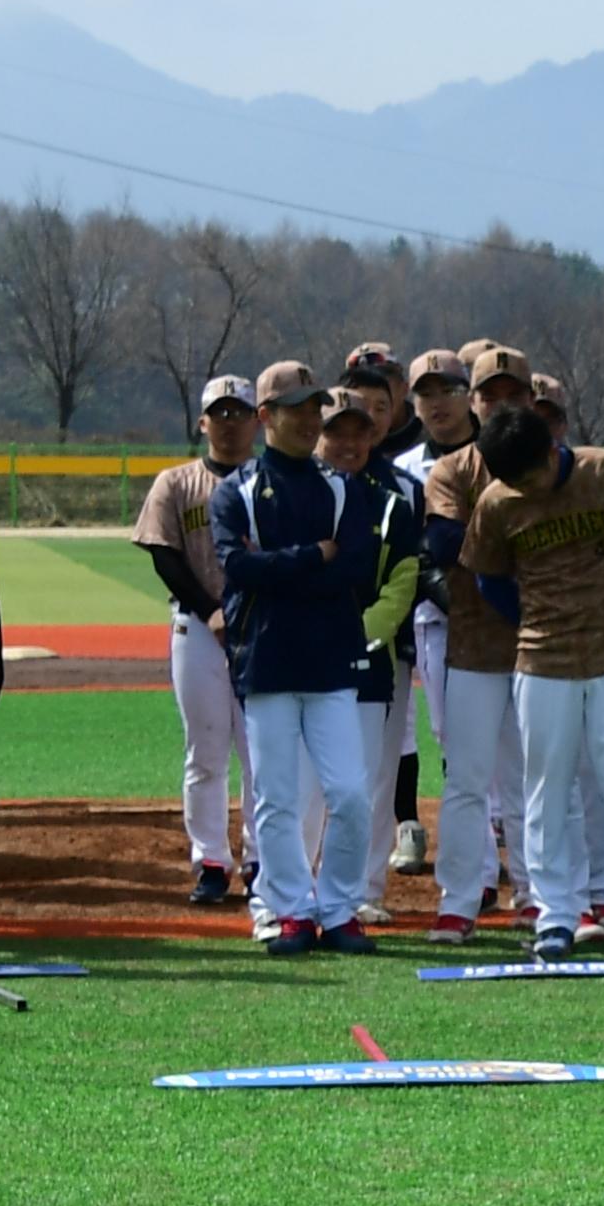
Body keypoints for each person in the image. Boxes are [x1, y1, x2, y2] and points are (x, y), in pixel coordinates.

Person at [461, 401, 604, 960]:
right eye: (514, 481)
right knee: (546, 791)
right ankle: (555, 912)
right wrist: (535, 621)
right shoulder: (499, 502)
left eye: (533, 475)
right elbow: (489, 580)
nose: (527, 488)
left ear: (552, 449)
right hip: (542, 660)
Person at [211, 360, 385, 958]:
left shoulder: (340, 488)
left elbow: (358, 570)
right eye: (296, 409)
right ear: (266, 418)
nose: (311, 420)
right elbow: (237, 567)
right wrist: (315, 557)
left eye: (316, 409)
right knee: (277, 797)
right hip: (266, 663)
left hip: (331, 661)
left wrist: (282, 567)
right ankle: (289, 909)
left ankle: (338, 906)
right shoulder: (236, 491)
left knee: (350, 794)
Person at [416, 344, 534, 944]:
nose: (502, 404)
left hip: (544, 649)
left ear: (532, 400)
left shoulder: (558, 463)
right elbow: (444, 546)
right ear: (474, 402)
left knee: (537, 778)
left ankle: (539, 896)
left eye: (514, 394)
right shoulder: (454, 470)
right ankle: (458, 900)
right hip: (474, 646)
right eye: (490, 394)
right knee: (467, 779)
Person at [134, 375, 262, 905]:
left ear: (257, 421)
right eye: (221, 413)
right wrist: (210, 608)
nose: (230, 423)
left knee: (262, 753)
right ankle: (211, 861)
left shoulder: (270, 481)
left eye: (240, 413)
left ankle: (262, 859)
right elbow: (163, 554)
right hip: (197, 628)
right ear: (202, 421)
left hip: (262, 628)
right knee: (205, 751)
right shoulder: (176, 482)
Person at [320, 386, 422, 924]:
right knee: (305, 780)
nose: (349, 442)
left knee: (373, 779)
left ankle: (364, 889)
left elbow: (404, 580)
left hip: (371, 656)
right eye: (337, 430)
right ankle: (295, 888)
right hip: (304, 655)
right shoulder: (296, 495)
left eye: (359, 431)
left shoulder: (391, 501)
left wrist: (359, 636)